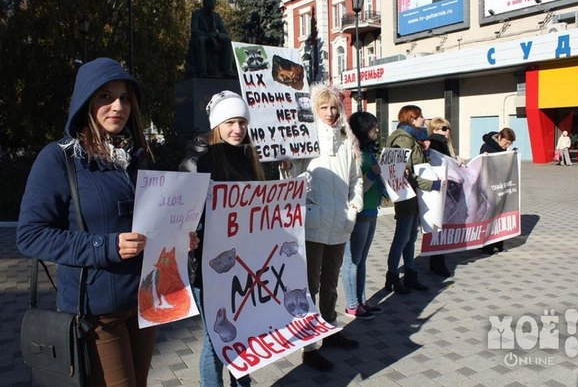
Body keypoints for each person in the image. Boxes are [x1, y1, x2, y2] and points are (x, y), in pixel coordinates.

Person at [16, 57, 199, 387]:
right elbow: (30, 235)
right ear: (86, 100)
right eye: (106, 96)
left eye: (125, 98)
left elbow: (151, 223)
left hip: (144, 302)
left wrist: (177, 235)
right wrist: (105, 245)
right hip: (96, 312)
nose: (118, 106)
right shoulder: (60, 158)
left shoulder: (139, 156)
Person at [179, 90, 264, 387]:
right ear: (216, 124)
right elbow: (182, 214)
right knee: (215, 341)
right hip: (209, 267)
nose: (237, 129)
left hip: (243, 263)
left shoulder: (249, 156)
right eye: (229, 122)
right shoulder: (198, 160)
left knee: (243, 332)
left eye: (242, 122)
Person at [280, 84, 363, 372]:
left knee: (330, 283)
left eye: (334, 108)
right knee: (309, 286)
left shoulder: (347, 141)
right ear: (314, 110)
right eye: (323, 108)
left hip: (339, 224)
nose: (329, 113)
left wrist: (354, 206)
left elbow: (356, 179)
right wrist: (287, 168)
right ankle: (309, 345)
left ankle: (329, 328)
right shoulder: (305, 139)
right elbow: (291, 179)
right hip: (313, 225)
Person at [385, 105, 445, 294]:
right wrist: (432, 185)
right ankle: (392, 276)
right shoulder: (403, 139)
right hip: (406, 195)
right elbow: (403, 173)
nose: (424, 119)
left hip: (413, 195)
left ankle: (410, 274)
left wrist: (424, 152)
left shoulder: (412, 138)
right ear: (412, 119)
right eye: (420, 117)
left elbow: (416, 165)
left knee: (410, 238)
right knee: (402, 238)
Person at [341, 111, 385, 320]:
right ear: (363, 129)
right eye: (373, 126)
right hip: (359, 213)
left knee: (362, 259)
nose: (376, 130)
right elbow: (356, 187)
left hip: (372, 211)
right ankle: (352, 305)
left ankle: (362, 300)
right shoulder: (353, 153)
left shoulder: (369, 152)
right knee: (352, 261)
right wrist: (372, 174)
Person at [425, 117, 456, 278]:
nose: (446, 131)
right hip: (435, 190)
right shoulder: (434, 143)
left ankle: (437, 260)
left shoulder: (445, 145)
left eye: (447, 128)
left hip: (444, 190)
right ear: (434, 130)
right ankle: (437, 262)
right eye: (441, 129)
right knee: (436, 227)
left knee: (441, 227)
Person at [479, 127, 516, 254]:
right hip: (489, 186)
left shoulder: (504, 150)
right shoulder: (486, 147)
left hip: (501, 186)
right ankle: (486, 245)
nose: (507, 146)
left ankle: (499, 243)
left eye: (509, 144)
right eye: (506, 142)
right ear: (499, 137)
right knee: (489, 215)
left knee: (501, 214)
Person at [186, 0, 235, 78]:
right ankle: (202, 71)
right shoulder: (197, 14)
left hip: (213, 41)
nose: (213, 5)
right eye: (211, 3)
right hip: (201, 39)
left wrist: (216, 35)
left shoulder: (216, 16)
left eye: (214, 3)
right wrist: (208, 36)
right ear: (205, 3)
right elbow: (194, 30)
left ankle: (228, 71)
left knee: (227, 41)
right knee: (201, 40)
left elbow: (224, 32)